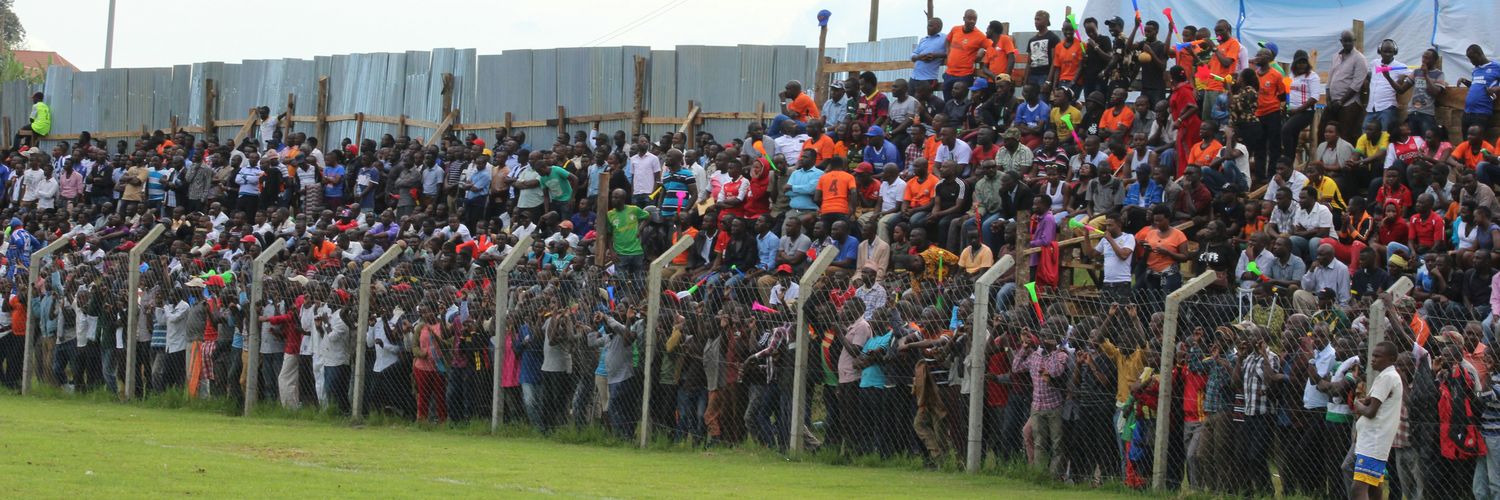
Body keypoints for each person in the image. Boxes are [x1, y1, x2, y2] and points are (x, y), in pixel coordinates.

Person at [1349, 341, 1403, 500]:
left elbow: (1371, 412)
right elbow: (1375, 403)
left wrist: (1359, 406)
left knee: (1358, 488)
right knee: (1373, 487)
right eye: (1373, 355)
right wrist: (1368, 401)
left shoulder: (1387, 377)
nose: (1372, 359)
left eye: (1378, 356)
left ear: (1391, 358)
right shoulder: (1388, 376)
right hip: (1373, 439)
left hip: (1374, 440)